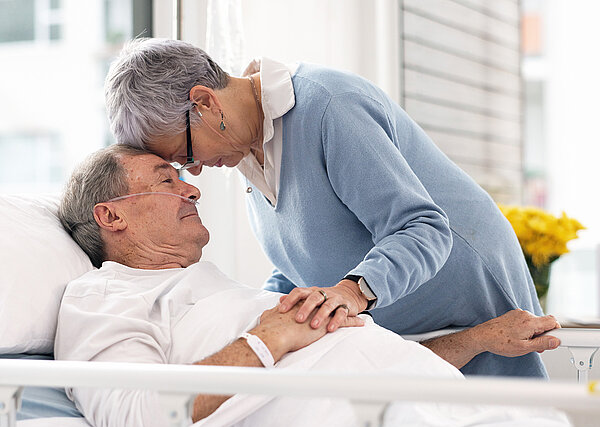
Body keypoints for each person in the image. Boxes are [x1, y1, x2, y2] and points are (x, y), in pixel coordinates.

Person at [103, 39, 548, 378]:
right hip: (396, 328)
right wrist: (267, 308)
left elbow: (425, 228)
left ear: (204, 102)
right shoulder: (246, 151)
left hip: (466, 301)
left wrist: (351, 293)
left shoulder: (328, 106)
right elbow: (305, 257)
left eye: (186, 154)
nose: (195, 173)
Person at [55, 146, 566, 427]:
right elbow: (134, 415)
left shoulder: (218, 289)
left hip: (440, 405)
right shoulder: (102, 299)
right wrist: (267, 339)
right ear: (110, 215)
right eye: (165, 180)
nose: (191, 187)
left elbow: (351, 358)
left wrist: (476, 340)